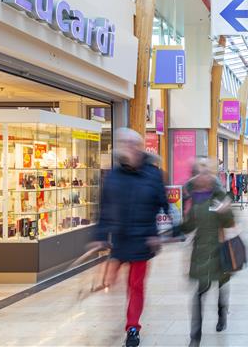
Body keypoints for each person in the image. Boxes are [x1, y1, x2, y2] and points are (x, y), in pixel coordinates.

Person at [91, 128, 168, 347]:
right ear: (120, 148)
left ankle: (132, 327)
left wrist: (166, 231)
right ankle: (109, 280)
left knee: (135, 285)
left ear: (141, 147)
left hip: (143, 240)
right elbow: (104, 209)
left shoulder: (153, 174)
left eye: (134, 143)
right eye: (125, 143)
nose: (130, 147)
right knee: (113, 280)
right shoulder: (112, 176)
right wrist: (99, 236)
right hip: (121, 239)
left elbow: (163, 202)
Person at [178, 159, 235, 347]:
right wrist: (175, 229)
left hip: (220, 249)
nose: (202, 176)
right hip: (201, 251)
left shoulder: (219, 195)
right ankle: (195, 336)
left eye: (206, 172)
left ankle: (221, 312)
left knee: (221, 286)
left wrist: (225, 211)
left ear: (212, 175)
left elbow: (229, 223)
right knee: (199, 294)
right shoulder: (193, 196)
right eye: (199, 172)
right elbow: (189, 225)